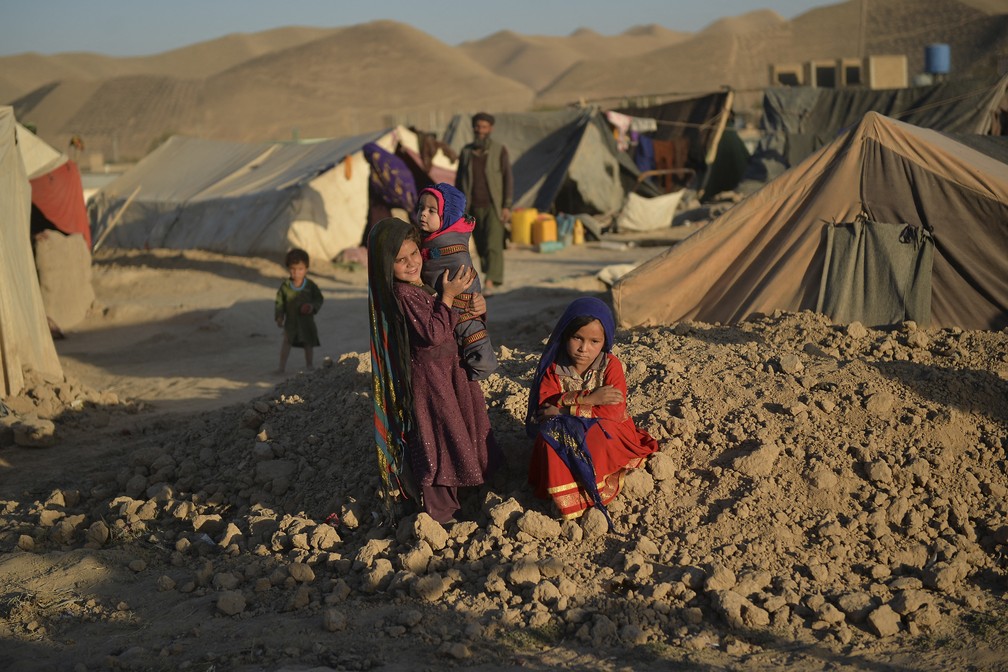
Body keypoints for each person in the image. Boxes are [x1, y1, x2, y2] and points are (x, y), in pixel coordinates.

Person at [367, 217, 501, 524]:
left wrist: (474, 307)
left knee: (463, 426)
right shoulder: (404, 294)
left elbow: (450, 321)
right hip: (432, 380)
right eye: (400, 260)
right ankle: (442, 513)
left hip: (450, 372)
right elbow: (433, 333)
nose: (411, 263)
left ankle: (472, 489)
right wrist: (450, 296)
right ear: (386, 266)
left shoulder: (420, 285)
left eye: (414, 253)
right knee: (440, 437)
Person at [525, 297, 659, 526]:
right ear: (565, 335)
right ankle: (567, 497)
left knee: (599, 434)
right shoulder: (553, 369)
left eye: (594, 341)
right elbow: (545, 408)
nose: (583, 348)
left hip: (606, 429)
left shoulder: (611, 365)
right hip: (566, 429)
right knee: (550, 439)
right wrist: (590, 398)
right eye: (577, 338)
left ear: (605, 341)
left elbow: (614, 412)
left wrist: (566, 408)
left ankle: (592, 490)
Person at [415, 182, 498, 381]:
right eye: (420, 208)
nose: (423, 214)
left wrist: (473, 303)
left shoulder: (452, 252)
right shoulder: (427, 238)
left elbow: (463, 288)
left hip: (455, 314)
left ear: (447, 216)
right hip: (439, 315)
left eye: (432, 210)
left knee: (471, 341)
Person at [454, 112, 513, 294]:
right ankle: (489, 275)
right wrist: (458, 206)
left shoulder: (499, 150)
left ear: (490, 129)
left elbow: (507, 178)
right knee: (480, 242)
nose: (480, 130)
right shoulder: (466, 152)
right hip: (472, 206)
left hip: (493, 205)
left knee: (493, 243)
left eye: (484, 127)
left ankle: (492, 280)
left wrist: (506, 205)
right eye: (477, 127)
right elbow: (459, 179)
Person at [274, 248, 323, 373]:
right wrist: (279, 316)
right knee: (286, 342)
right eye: (293, 269)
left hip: (307, 322)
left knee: (308, 344)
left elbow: (318, 298)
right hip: (290, 323)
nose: (296, 272)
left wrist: (311, 307)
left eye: (300, 269)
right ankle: (281, 367)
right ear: (288, 268)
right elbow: (279, 302)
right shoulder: (285, 287)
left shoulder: (310, 286)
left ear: (306, 269)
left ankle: (309, 365)